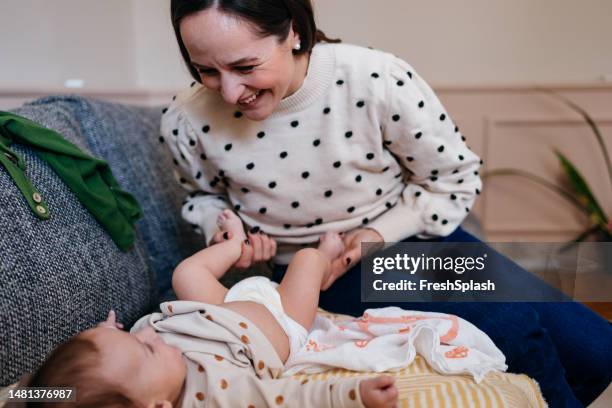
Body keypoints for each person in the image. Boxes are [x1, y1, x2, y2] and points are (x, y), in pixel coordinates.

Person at [161, 0, 612, 406]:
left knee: (599, 352)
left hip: (410, 236)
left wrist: (375, 236)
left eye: (246, 66)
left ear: (294, 31)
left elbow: (453, 177)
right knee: (511, 326)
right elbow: (201, 196)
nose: (230, 92)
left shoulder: (374, 77)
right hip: (315, 275)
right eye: (207, 70)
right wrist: (229, 234)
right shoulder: (187, 118)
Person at [25, 210, 398, 408]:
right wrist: (354, 395)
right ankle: (329, 263)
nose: (148, 333)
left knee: (185, 272)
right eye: (147, 347)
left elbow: (61, 393)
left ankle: (235, 243)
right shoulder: (215, 396)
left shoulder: (122, 380)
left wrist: (24, 396)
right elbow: (285, 401)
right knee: (305, 259)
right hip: (280, 321)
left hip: (213, 309)